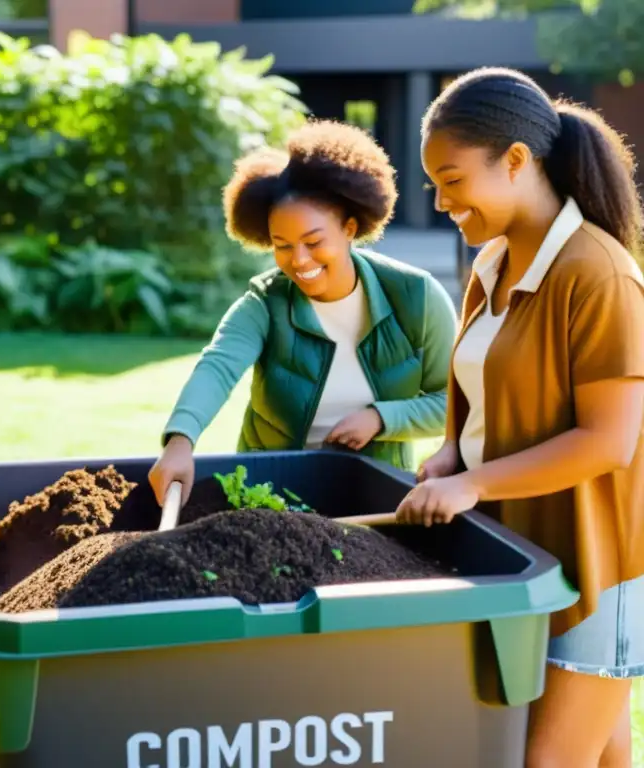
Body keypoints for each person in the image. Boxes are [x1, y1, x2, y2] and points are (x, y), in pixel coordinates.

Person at [395, 67, 644, 767]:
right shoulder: (492, 265)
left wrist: (473, 485)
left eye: (452, 181)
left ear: (513, 160)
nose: (442, 203)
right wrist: (450, 455)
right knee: (603, 755)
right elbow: (476, 386)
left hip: (597, 568)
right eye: (434, 186)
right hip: (518, 556)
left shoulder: (599, 275)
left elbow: (609, 441)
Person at [149, 120, 459, 506]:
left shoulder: (416, 297)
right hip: (269, 496)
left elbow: (454, 403)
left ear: (349, 227)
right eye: (282, 245)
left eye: (314, 242)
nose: (298, 260)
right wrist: (181, 440)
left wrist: (381, 417)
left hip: (372, 496)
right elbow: (218, 367)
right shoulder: (265, 302)